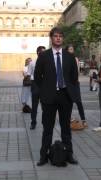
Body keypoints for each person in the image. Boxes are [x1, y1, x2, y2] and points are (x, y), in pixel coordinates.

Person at [34, 27, 79, 166]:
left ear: (62, 38)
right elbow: (37, 77)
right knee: (47, 128)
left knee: (66, 128)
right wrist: (44, 91)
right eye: (55, 36)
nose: (58, 38)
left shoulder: (69, 57)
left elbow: (74, 77)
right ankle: (44, 156)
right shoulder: (43, 56)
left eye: (60, 36)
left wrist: (71, 92)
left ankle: (69, 154)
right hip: (49, 97)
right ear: (51, 38)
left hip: (65, 96)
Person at [65, 45, 87, 128]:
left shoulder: (75, 59)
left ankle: (83, 120)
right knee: (68, 102)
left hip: (75, 83)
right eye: (70, 49)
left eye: (72, 49)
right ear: (67, 50)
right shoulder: (64, 59)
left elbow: (77, 72)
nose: (72, 50)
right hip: (67, 84)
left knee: (78, 102)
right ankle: (68, 119)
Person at [27, 46, 46, 130]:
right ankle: (33, 122)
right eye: (42, 52)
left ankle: (45, 122)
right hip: (35, 85)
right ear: (38, 53)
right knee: (34, 106)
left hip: (44, 85)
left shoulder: (47, 62)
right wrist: (33, 80)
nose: (44, 54)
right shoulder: (32, 63)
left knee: (45, 106)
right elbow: (29, 74)